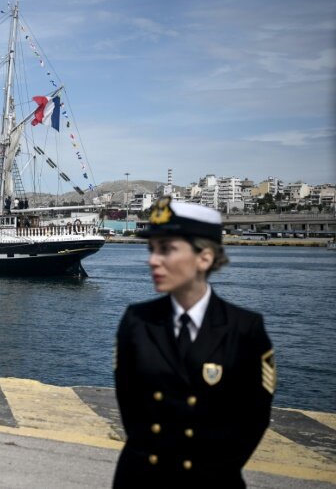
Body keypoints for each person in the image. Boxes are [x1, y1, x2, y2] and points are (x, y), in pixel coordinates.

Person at [113, 196, 275, 489]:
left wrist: (211, 473)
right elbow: (131, 409)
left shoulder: (244, 329)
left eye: (167, 250)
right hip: (141, 480)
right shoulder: (136, 322)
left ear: (205, 257)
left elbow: (253, 418)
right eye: (152, 249)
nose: (153, 260)